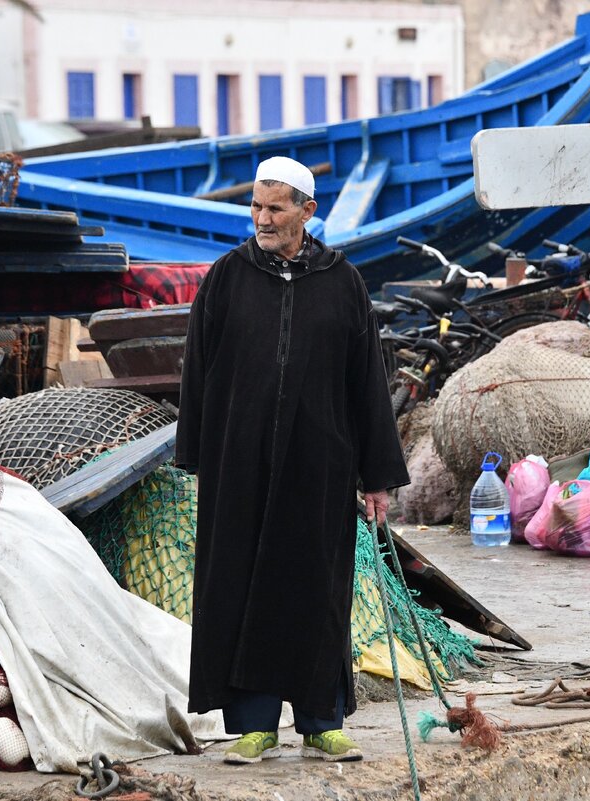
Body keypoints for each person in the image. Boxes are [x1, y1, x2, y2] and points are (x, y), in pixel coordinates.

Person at [175, 156, 409, 765]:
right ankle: (254, 727)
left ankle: (321, 722)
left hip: (320, 464)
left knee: (316, 589)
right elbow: (197, 371)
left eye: (276, 207)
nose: (262, 218)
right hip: (240, 463)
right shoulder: (226, 278)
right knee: (243, 585)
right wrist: (198, 456)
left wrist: (377, 474)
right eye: (256, 206)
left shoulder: (344, 282)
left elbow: (368, 385)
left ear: (308, 210)